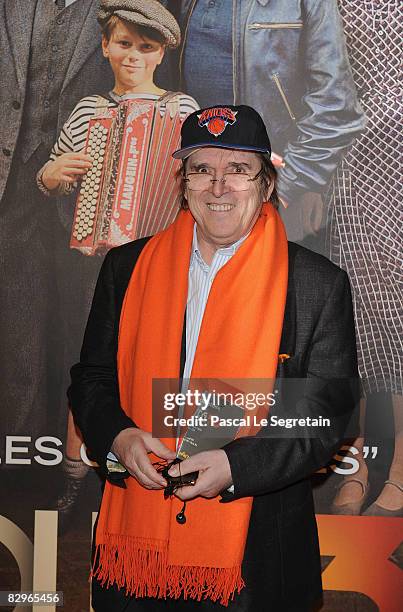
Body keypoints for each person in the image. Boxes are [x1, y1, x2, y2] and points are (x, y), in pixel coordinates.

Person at [70, 104, 358, 611]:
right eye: (203, 169)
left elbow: (324, 415)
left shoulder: (315, 284)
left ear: (266, 185)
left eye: (239, 170)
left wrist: (234, 464)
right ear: (183, 184)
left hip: (254, 556)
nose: (218, 187)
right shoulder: (126, 267)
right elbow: (91, 379)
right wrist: (117, 434)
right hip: (137, 554)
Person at [36, 0, 199, 529]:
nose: (132, 55)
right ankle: (74, 476)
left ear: (162, 54)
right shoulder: (89, 111)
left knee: (150, 364)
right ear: (105, 46)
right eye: (123, 43)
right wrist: (53, 175)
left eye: (144, 46)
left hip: (161, 259)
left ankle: (142, 471)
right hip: (100, 263)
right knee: (94, 367)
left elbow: (202, 164)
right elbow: (52, 174)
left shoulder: (180, 109)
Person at [157, 0, 365, 252]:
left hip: (276, 204)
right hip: (198, 205)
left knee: (274, 289)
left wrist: (281, 189)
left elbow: (335, 106)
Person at [0, 0, 113, 451]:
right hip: (11, 185)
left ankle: (79, 464)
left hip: (91, 193)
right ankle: (19, 464)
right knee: (16, 333)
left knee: (82, 334)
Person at [328, 0, 402, 517]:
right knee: (347, 316)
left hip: (395, 153)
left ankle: (400, 471)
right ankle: (354, 462)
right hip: (339, 162)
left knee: (397, 313)